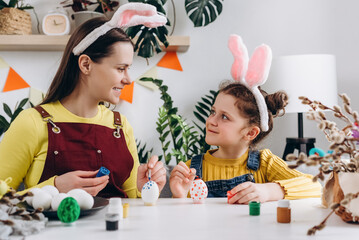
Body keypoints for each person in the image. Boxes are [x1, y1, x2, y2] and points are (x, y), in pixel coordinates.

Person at [0, 3, 167, 198]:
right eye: (121, 68)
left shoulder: (120, 127)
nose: (128, 79)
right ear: (86, 64)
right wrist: (52, 189)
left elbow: (131, 202)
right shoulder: (32, 123)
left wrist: (144, 189)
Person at [169, 35, 322, 204]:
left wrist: (270, 190)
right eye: (213, 112)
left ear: (250, 132)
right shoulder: (193, 168)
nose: (211, 121)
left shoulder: (265, 163)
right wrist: (180, 195)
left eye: (224, 117)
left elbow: (314, 185)